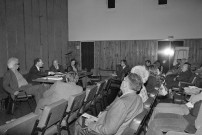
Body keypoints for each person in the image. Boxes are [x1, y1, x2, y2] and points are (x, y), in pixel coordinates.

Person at [74, 73, 144, 135]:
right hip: (114, 125)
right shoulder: (139, 99)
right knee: (83, 118)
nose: (122, 81)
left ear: (125, 85)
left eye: (124, 80)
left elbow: (108, 131)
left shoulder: (122, 103)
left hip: (106, 130)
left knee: (79, 121)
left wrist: (91, 124)